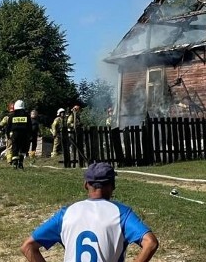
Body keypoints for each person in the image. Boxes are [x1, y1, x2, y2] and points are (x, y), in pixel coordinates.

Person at [20, 162, 159, 262]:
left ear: (86, 184)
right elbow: (150, 243)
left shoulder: (66, 214)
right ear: (113, 185)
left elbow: (28, 246)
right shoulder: (121, 213)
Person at [8, 99, 32, 169]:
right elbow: (29, 126)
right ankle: (21, 162)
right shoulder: (27, 116)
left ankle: (15, 163)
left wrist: (7, 135)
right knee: (23, 149)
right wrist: (30, 135)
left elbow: (8, 126)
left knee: (15, 148)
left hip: (15, 134)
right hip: (24, 134)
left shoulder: (12, 116)